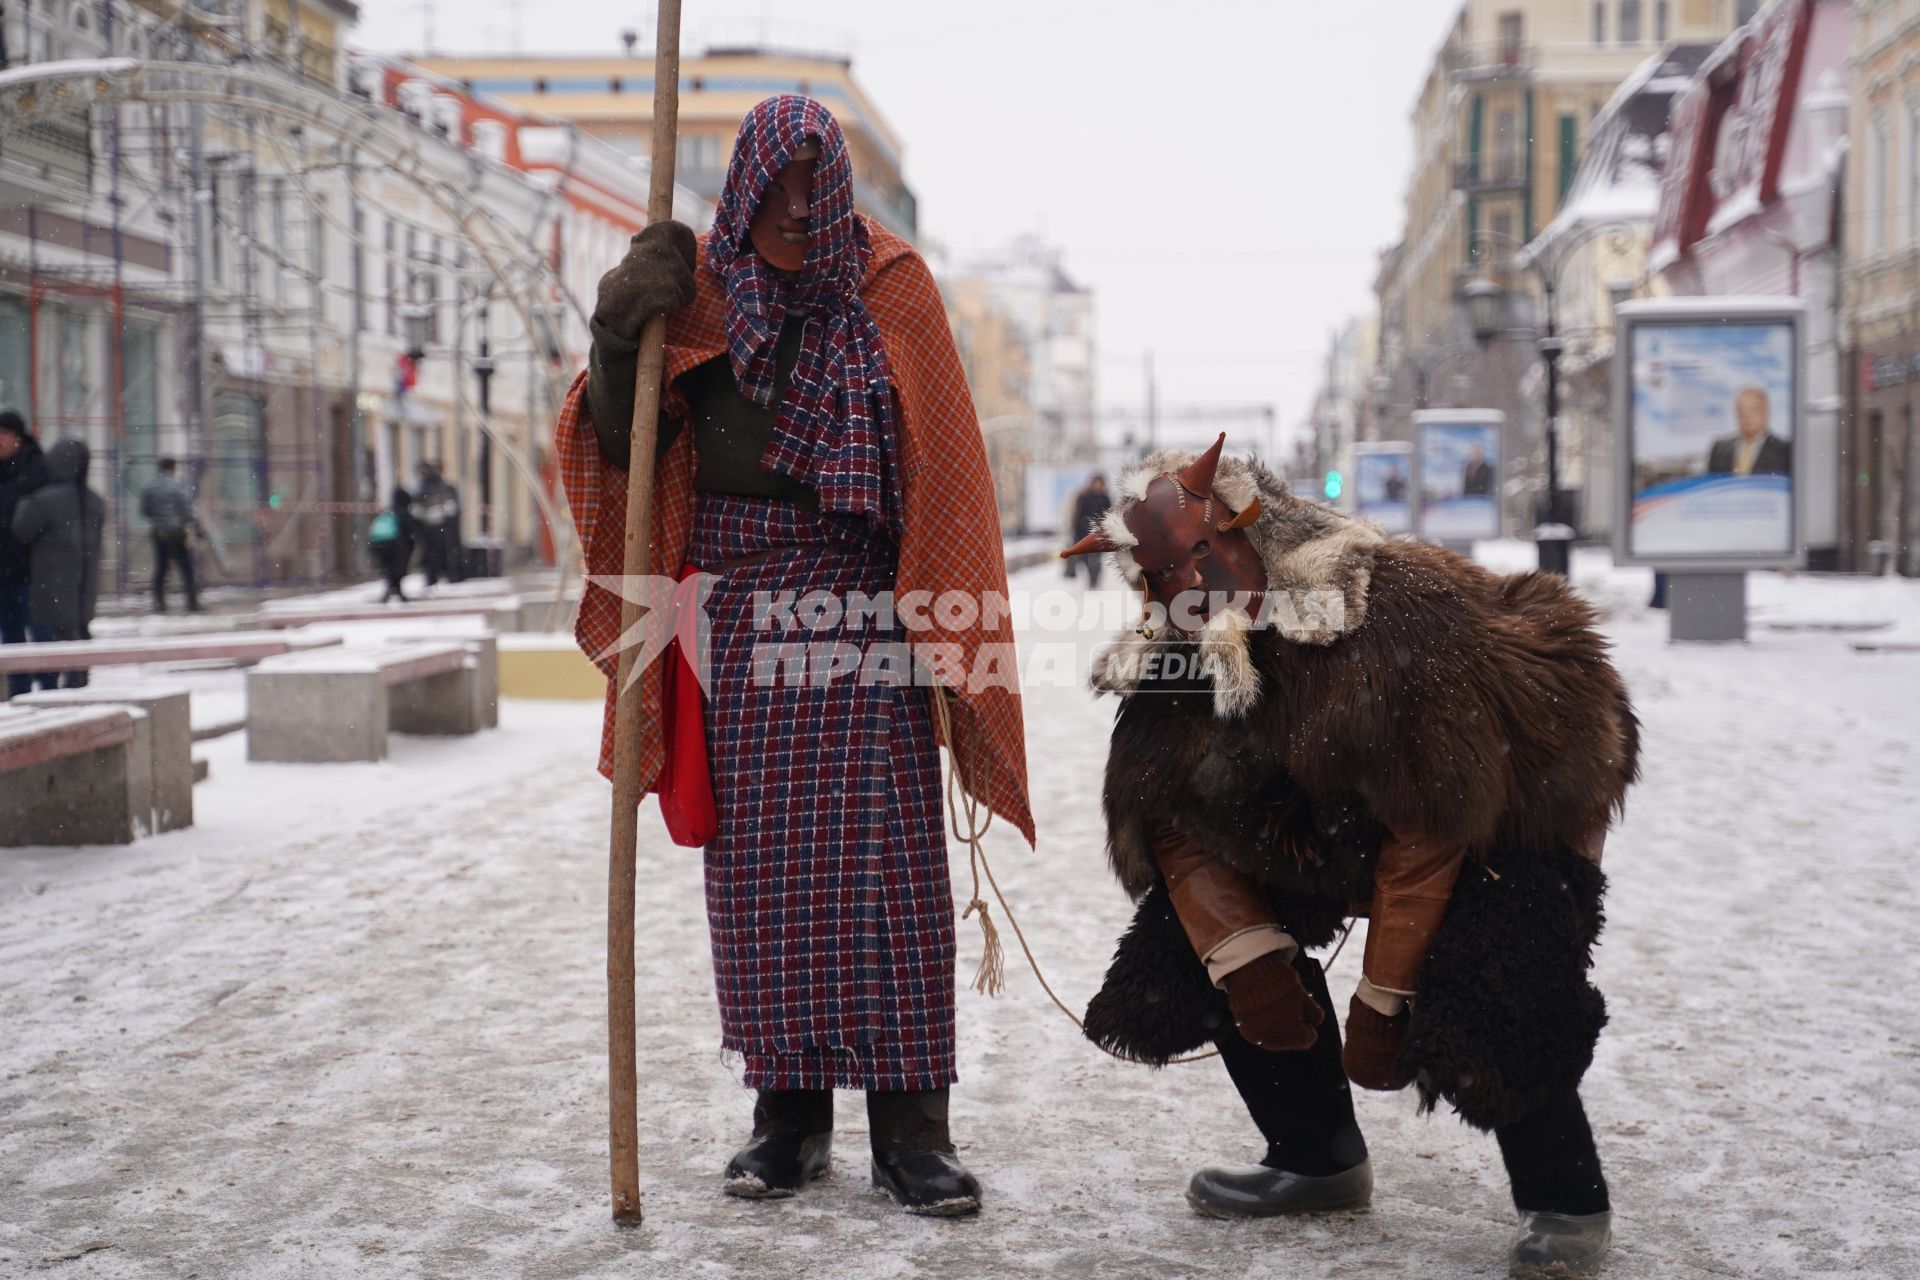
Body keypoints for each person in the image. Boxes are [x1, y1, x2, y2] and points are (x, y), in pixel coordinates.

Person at [559, 94, 1032, 1216]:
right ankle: (787, 1118)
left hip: (865, 618)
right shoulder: (696, 286)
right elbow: (627, 443)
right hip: (739, 617)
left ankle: (914, 1131)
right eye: (772, 187)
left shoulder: (892, 286)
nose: (790, 211)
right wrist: (623, 325)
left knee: (888, 878)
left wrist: (953, 634)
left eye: (811, 190)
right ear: (742, 183)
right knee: (763, 880)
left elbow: (949, 470)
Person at [1065, 435, 1639, 1278]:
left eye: (1193, 559)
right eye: (1159, 574)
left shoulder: (1392, 605)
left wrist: (1383, 996)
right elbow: (1170, 817)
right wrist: (1245, 955)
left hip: (1518, 799)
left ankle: (1565, 1198)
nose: (1181, 587)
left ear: (1242, 531)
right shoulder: (1180, 645)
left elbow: (1439, 814)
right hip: (1342, 813)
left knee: (1499, 961)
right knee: (1187, 952)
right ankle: (1315, 1156)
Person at [10, 439, 105, 690]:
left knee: (57, 633)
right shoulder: (94, 500)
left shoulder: (44, 500)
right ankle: (79, 676)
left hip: (51, 577)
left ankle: (58, 681)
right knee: (79, 629)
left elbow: (21, 530)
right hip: (85, 579)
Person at [1, 410, 50, 697]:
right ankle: (18, 691)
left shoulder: (36, 470)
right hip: (3, 569)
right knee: (11, 635)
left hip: (34, 570)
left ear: (18, 438)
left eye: (4, 435)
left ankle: (48, 689)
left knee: (41, 633)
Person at [139, 457, 199, 614]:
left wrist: (159, 519)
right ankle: (192, 602)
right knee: (186, 568)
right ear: (173, 468)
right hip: (177, 532)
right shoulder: (177, 487)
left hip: (159, 532)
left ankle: (159, 603)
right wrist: (187, 523)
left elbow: (145, 510)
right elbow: (186, 510)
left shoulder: (150, 488)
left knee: (160, 568)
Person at [1706, 386, 1790, 476]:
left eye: (1754, 409)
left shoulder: (1785, 450)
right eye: (1741, 410)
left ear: (1767, 411)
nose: (1747, 416)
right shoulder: (1719, 449)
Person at [409, 462, 462, 588]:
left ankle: (439, 576)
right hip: (434, 527)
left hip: (435, 526)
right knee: (435, 554)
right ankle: (438, 575)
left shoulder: (429, 487)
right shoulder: (430, 487)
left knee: (436, 554)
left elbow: (419, 507)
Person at [369, 487, 415, 603]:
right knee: (397, 570)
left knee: (389, 570)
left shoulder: (388, 513)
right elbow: (408, 534)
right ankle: (392, 592)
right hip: (395, 544)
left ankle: (394, 592)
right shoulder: (403, 514)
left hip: (379, 544)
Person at [1068, 473, 1112, 587]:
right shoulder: (1084, 497)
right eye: (1095, 483)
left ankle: (1094, 578)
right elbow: (1077, 514)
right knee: (1084, 558)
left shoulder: (1105, 498)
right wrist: (1076, 529)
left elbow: (1108, 515)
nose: (1097, 485)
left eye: (1099, 483)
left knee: (1096, 558)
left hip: (1098, 532)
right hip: (1083, 531)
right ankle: (1091, 576)